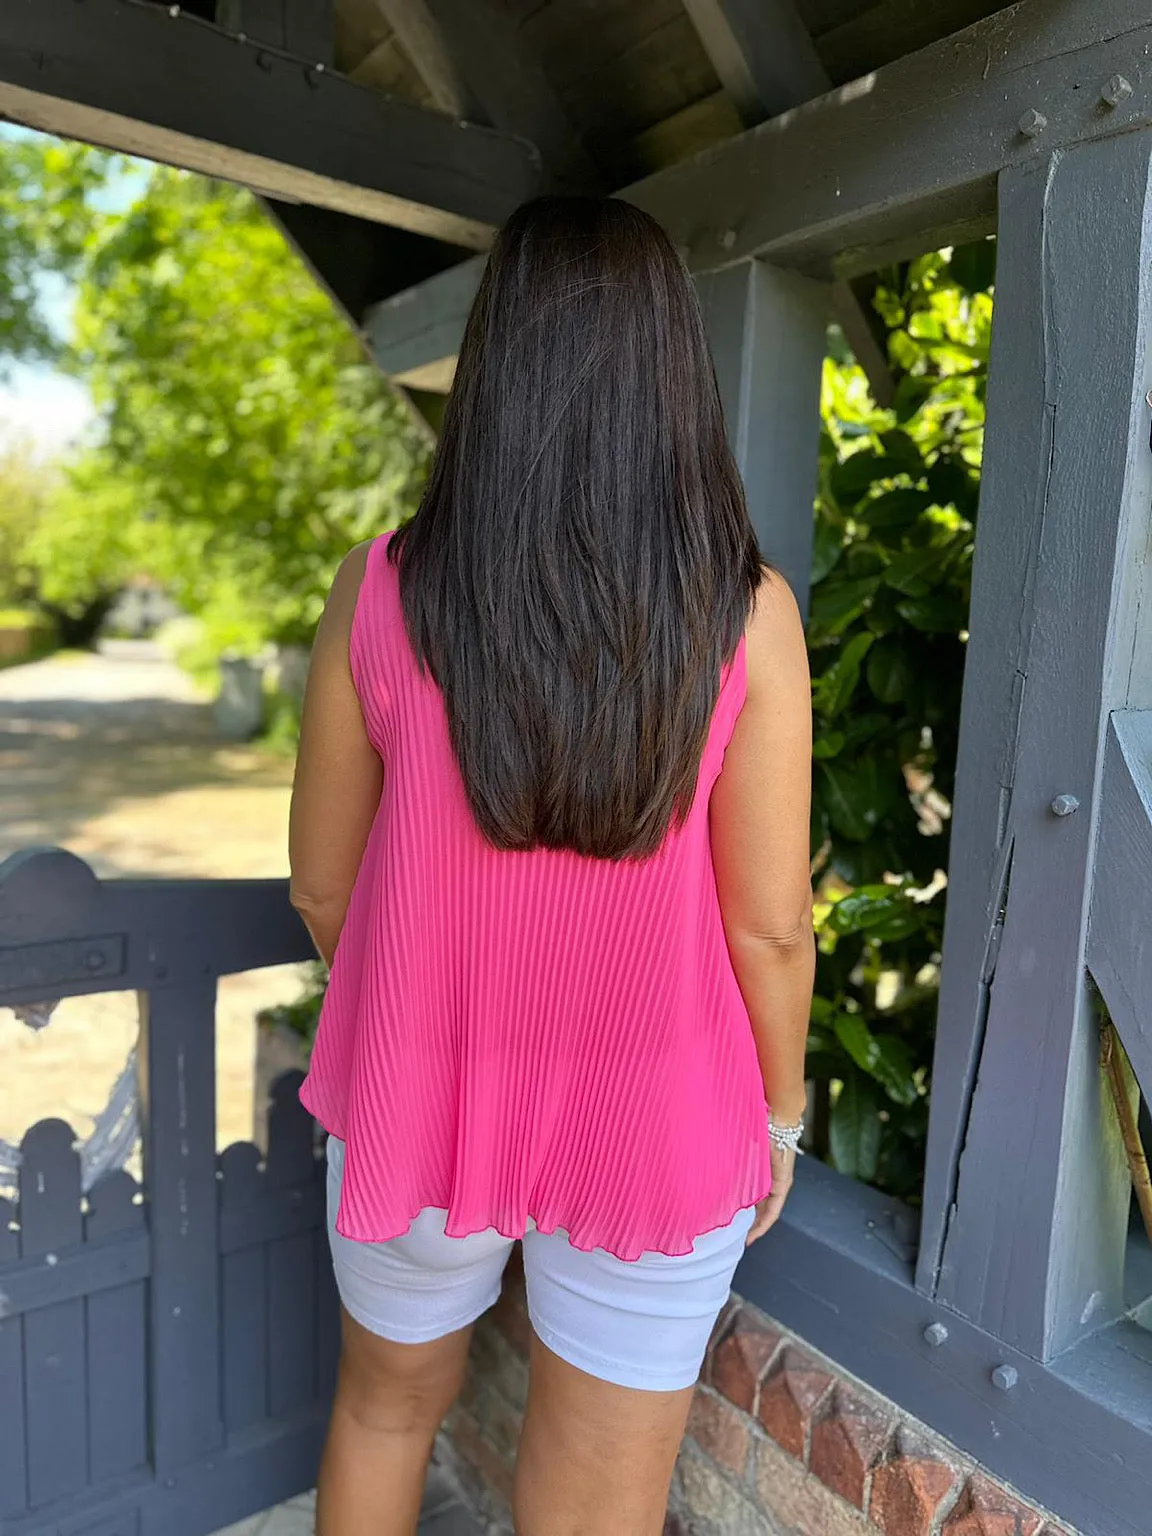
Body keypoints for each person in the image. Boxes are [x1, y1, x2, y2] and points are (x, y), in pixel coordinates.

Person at [288, 195, 814, 1536]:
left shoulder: (381, 590)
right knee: (596, 1504)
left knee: (382, 1411)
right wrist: (782, 1117)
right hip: (657, 1114)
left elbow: (322, 889)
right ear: (670, 368)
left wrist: (422, 1010)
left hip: (419, 1097)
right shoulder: (746, 614)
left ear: (495, 364)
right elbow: (768, 932)